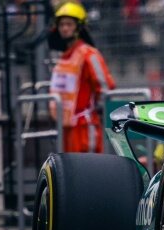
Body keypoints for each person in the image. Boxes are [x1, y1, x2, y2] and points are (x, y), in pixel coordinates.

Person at [48, 1, 115, 153]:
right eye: (62, 24)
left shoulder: (89, 55)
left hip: (85, 127)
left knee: (89, 171)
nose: (64, 28)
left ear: (78, 27)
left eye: (69, 24)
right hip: (65, 127)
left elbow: (105, 86)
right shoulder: (63, 58)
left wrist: (98, 111)